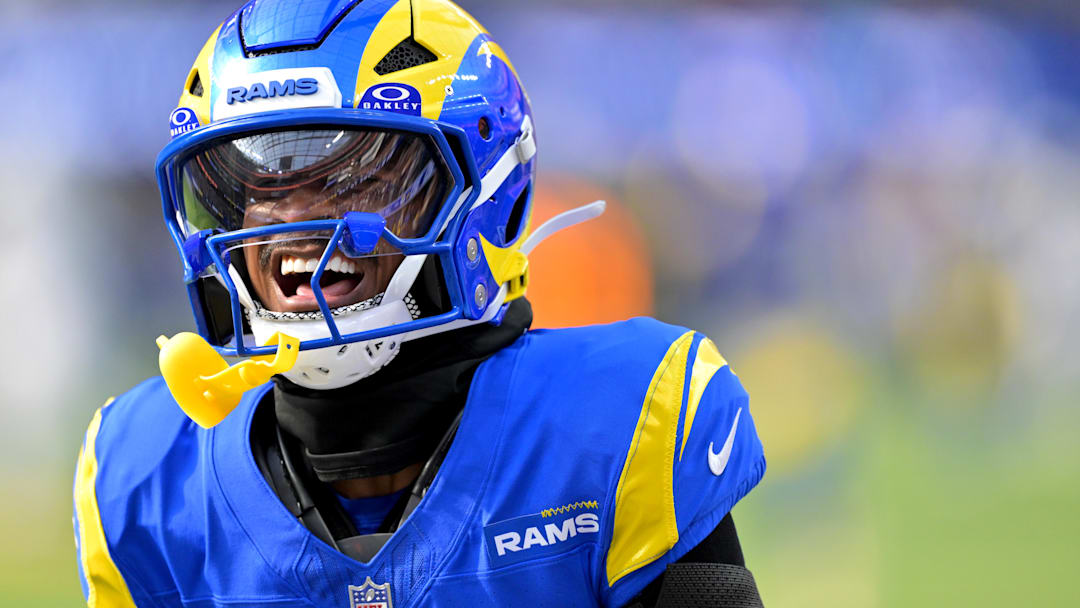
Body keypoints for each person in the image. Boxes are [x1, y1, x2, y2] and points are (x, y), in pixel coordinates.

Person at [72, 1, 766, 606]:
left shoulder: (619, 423)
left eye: (356, 177)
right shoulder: (144, 481)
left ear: (481, 191)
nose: (294, 225)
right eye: (263, 187)